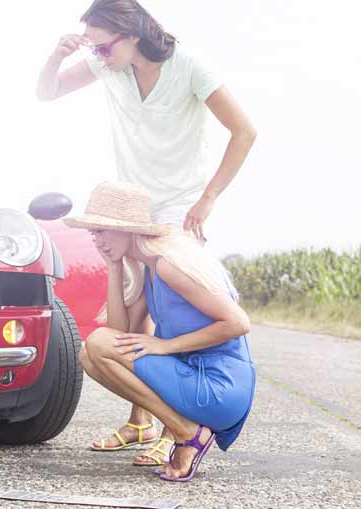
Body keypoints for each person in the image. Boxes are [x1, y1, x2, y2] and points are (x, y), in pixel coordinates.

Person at [36, 0, 257, 466]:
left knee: (167, 312)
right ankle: (142, 422)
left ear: (131, 33)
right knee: (132, 319)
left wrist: (209, 197)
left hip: (178, 207)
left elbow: (244, 131)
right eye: (91, 48)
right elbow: (47, 94)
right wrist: (57, 55)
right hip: (130, 205)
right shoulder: (109, 70)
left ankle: (173, 426)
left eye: (101, 46)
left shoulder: (190, 66)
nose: (95, 55)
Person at [64, 181, 255, 481]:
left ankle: (187, 433)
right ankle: (186, 430)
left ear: (128, 229)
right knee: (89, 354)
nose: (95, 239)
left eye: (101, 230)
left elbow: (238, 323)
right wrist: (114, 267)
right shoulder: (149, 271)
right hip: (197, 380)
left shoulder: (168, 265)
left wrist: (166, 346)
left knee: (96, 344)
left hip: (220, 387)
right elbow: (115, 337)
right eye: (93, 232)